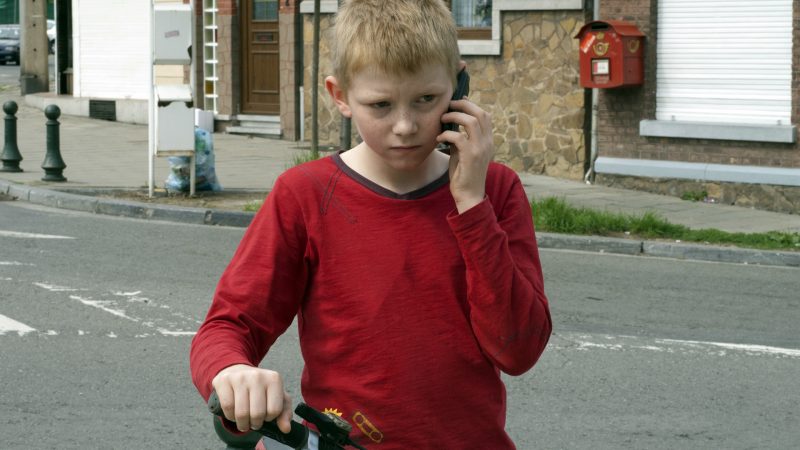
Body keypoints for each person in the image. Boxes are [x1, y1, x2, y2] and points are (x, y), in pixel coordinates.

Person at [190, 0, 552, 447]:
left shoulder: (495, 190)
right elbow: (228, 326)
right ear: (340, 95)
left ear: (458, 85)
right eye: (380, 104)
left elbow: (519, 350)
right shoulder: (304, 194)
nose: (405, 125)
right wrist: (232, 373)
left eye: (426, 99)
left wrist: (472, 204)